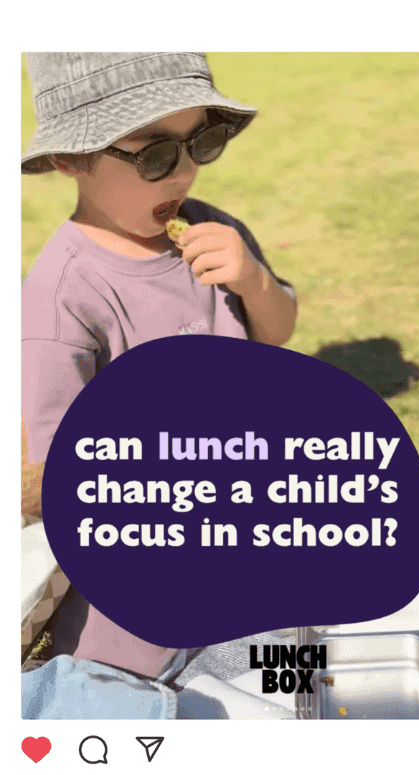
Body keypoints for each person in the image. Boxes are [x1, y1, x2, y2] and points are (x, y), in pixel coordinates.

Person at [21, 52, 297, 712]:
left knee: (308, 669)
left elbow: (278, 330)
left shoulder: (211, 227)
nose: (184, 169)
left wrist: (253, 279)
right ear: (71, 158)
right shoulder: (63, 294)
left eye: (202, 140)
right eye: (153, 155)